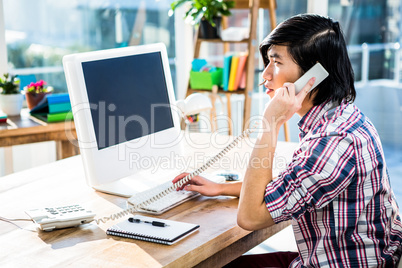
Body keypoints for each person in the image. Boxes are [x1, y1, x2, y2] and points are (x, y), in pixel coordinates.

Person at [173, 14, 402, 267]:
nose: (266, 76)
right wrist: (220, 188)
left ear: (313, 75)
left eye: (276, 62)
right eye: (267, 61)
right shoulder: (339, 117)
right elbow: (290, 187)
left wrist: (270, 124)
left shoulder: (332, 143)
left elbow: (249, 217)